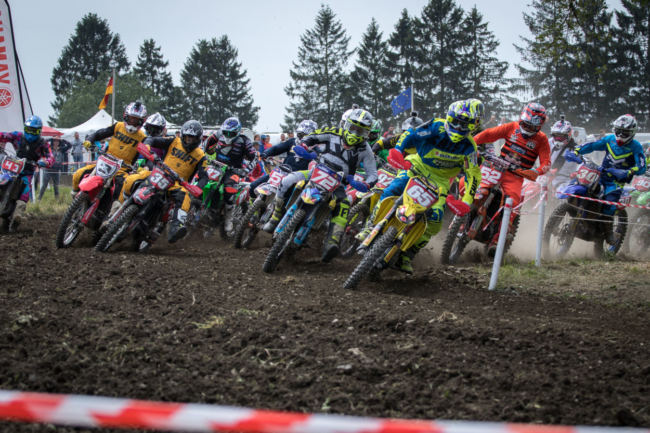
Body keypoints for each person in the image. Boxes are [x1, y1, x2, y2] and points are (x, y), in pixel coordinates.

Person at [359, 100, 481, 273]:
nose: (459, 127)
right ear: (449, 117)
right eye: (456, 121)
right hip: (416, 168)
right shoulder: (436, 126)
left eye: (465, 124)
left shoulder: (470, 147)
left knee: (435, 221)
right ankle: (370, 226)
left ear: (473, 126)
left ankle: (409, 253)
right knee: (392, 189)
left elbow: (473, 175)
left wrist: (466, 201)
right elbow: (411, 134)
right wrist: (398, 150)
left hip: (440, 185)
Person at [268, 108, 377, 262]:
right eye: (353, 128)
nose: (355, 133)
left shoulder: (366, 149)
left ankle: (332, 242)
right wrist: (304, 145)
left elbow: (373, 173)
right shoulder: (333, 132)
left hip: (338, 182)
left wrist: (366, 184)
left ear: (366, 133)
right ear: (347, 125)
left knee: (344, 204)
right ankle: (277, 214)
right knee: (287, 180)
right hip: (316, 170)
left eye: (360, 131)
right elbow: (313, 136)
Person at [473, 102, 551, 254]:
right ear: (521, 119)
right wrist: (473, 142)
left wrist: (536, 172)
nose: (527, 128)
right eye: (525, 124)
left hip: (516, 175)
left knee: (513, 202)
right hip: (496, 167)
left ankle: (497, 240)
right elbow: (489, 134)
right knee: (469, 183)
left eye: (532, 127)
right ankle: (459, 214)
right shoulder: (511, 127)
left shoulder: (542, 139)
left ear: (539, 126)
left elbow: (546, 162)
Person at [566, 114, 646, 248]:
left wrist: (629, 171)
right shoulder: (610, 139)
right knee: (579, 183)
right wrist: (577, 151)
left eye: (625, 132)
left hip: (616, 181)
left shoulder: (636, 146)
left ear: (632, 132)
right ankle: (576, 213)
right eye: (619, 131)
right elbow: (593, 145)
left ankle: (609, 234)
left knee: (609, 203)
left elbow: (642, 166)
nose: (621, 135)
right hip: (602, 174)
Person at [73, 101, 147, 212]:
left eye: (136, 120)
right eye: (131, 118)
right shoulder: (118, 126)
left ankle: (112, 216)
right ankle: (75, 202)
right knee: (78, 174)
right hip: (104, 162)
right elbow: (100, 133)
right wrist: (90, 140)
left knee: (122, 188)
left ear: (141, 121)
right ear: (126, 116)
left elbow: (144, 154)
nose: (132, 122)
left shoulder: (142, 137)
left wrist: (141, 164)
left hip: (122, 169)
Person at [143, 120, 209, 243]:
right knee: (136, 177)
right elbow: (154, 140)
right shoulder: (173, 141)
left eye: (193, 138)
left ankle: (176, 228)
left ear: (198, 139)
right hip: (160, 173)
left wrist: (198, 188)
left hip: (178, 183)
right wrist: (147, 145)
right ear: (183, 135)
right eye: (188, 137)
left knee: (185, 197)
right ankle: (120, 209)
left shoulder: (201, 156)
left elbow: (204, 176)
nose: (190, 141)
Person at [0, 115, 54, 231]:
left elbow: (50, 157)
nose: (31, 133)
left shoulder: (43, 143)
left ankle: (17, 216)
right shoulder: (18, 136)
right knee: (2, 179)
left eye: (34, 131)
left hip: (27, 171)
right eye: (29, 130)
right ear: (25, 128)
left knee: (25, 193)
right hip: (13, 167)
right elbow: (4, 135)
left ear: (39, 131)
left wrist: (44, 162)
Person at [203, 116, 256, 232]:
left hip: (233, 170)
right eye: (225, 132)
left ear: (237, 132)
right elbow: (205, 144)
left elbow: (254, 157)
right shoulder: (218, 134)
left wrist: (246, 170)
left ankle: (228, 219)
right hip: (216, 166)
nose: (227, 135)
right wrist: (201, 153)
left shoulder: (244, 141)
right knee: (201, 179)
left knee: (229, 190)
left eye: (230, 133)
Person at [252, 119, 318, 202]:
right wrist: (265, 153)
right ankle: (249, 206)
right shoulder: (292, 142)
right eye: (300, 134)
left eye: (305, 135)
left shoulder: (316, 149)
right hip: (281, 172)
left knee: (287, 199)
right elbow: (277, 148)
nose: (302, 137)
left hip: (297, 179)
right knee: (253, 186)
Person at [120, 112, 169, 201]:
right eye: (150, 128)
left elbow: (165, 160)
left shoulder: (165, 143)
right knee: (125, 182)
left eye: (155, 130)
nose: (152, 132)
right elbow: (136, 155)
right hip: (137, 169)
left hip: (156, 173)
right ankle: (118, 204)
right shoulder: (143, 139)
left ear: (162, 129)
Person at [548, 117, 579, 191]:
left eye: (561, 137)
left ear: (568, 135)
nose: (558, 139)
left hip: (563, 179)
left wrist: (577, 172)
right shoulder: (548, 142)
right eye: (556, 136)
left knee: (562, 192)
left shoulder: (576, 149)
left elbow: (582, 164)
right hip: (546, 175)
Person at [38, 137, 70, 201]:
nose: (56, 142)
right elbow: (42, 143)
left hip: (56, 170)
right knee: (44, 185)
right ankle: (39, 199)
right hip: (48, 170)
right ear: (52, 142)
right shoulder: (48, 148)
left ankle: (57, 201)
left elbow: (70, 145)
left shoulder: (61, 149)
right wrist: (50, 139)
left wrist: (63, 140)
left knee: (56, 186)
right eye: (55, 141)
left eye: (57, 141)